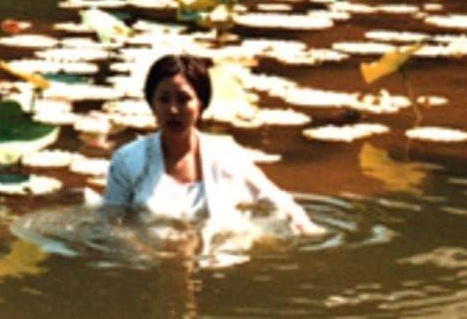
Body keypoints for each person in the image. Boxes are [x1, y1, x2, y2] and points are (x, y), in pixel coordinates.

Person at [103, 54, 320, 235]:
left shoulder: (227, 155)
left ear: (201, 104)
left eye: (183, 99)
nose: (173, 110)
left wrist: (308, 229)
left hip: (218, 261)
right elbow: (111, 223)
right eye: (164, 99)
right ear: (152, 104)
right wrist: (151, 255)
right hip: (151, 260)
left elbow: (278, 202)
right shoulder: (128, 161)